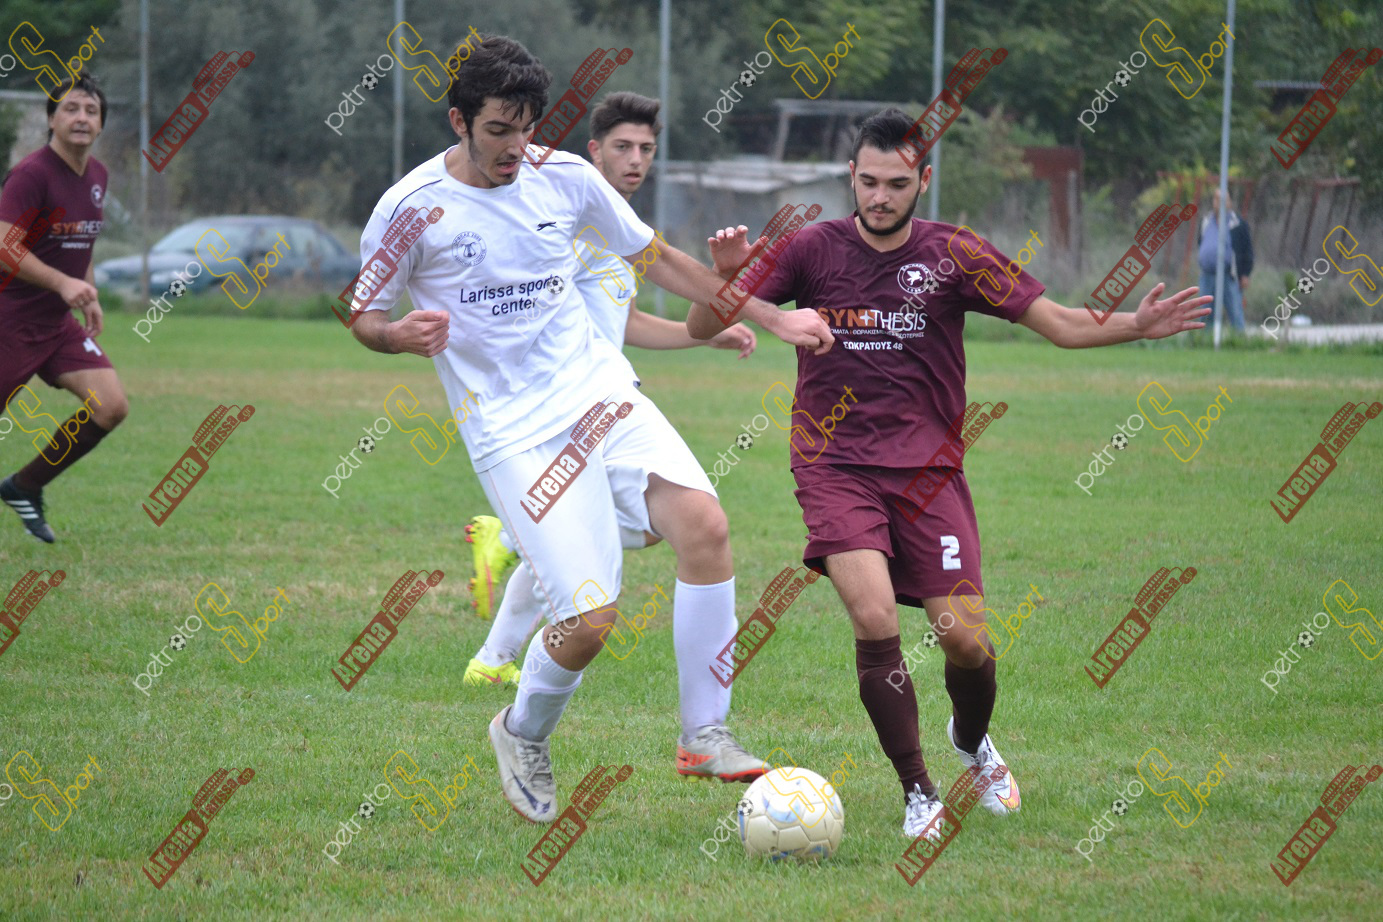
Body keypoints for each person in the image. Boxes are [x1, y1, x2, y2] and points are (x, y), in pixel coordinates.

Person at [345, 35, 833, 822]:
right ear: (458, 121)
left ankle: (703, 734)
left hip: (599, 394)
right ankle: (521, 731)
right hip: (512, 433)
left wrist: (773, 316)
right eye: (497, 130)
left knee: (705, 526)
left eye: (525, 128)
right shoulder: (409, 209)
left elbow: (659, 259)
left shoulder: (565, 178)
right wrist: (395, 335)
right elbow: (363, 314)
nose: (514, 147)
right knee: (587, 623)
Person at [687, 107, 1210, 838]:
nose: (879, 197)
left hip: (928, 473)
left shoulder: (954, 253)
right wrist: (726, 281)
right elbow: (700, 327)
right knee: (874, 619)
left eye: (896, 184)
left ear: (923, 179)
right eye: (868, 181)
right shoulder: (810, 248)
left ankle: (971, 743)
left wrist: (1136, 325)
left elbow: (1060, 324)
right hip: (833, 465)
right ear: (851, 175)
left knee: (964, 641)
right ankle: (918, 793)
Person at [461, 90, 756, 688]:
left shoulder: (622, 230)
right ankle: (501, 607)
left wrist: (702, 337)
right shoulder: (566, 222)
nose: (636, 159)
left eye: (646, 148)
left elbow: (629, 324)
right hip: (565, 405)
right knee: (629, 531)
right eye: (622, 147)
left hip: (606, 397)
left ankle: (495, 640)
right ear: (593, 151)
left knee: (644, 528)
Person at [0, 74, 129, 543]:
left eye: (91, 111)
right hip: (10, 319)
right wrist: (62, 283)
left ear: (101, 124)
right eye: (70, 109)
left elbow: (81, 242)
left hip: (56, 324)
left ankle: (24, 486)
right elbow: (5, 247)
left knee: (110, 407)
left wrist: (87, 294)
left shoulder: (97, 176)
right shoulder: (32, 174)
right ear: (51, 119)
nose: (81, 118)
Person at [1196, 188, 1252, 334]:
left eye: (1224, 200)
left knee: (1235, 310)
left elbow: (1247, 250)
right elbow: (1201, 242)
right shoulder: (1206, 221)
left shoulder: (1237, 223)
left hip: (1229, 275)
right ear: (1213, 202)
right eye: (1217, 199)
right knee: (1205, 311)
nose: (1220, 203)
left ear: (1229, 202)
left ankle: (1239, 339)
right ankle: (1203, 340)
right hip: (1207, 275)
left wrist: (1245, 274)